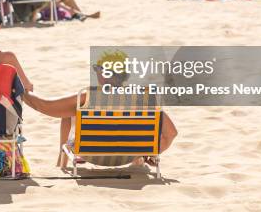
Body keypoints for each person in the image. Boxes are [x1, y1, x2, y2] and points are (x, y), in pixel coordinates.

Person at [23, 50, 177, 167]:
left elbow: (44, 106)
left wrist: (21, 91)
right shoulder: (144, 98)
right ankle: (139, 160)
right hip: (129, 157)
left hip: (91, 155)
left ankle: (61, 165)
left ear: (104, 73)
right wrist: (149, 153)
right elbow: (171, 134)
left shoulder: (87, 97)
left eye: (97, 69)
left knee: (69, 112)